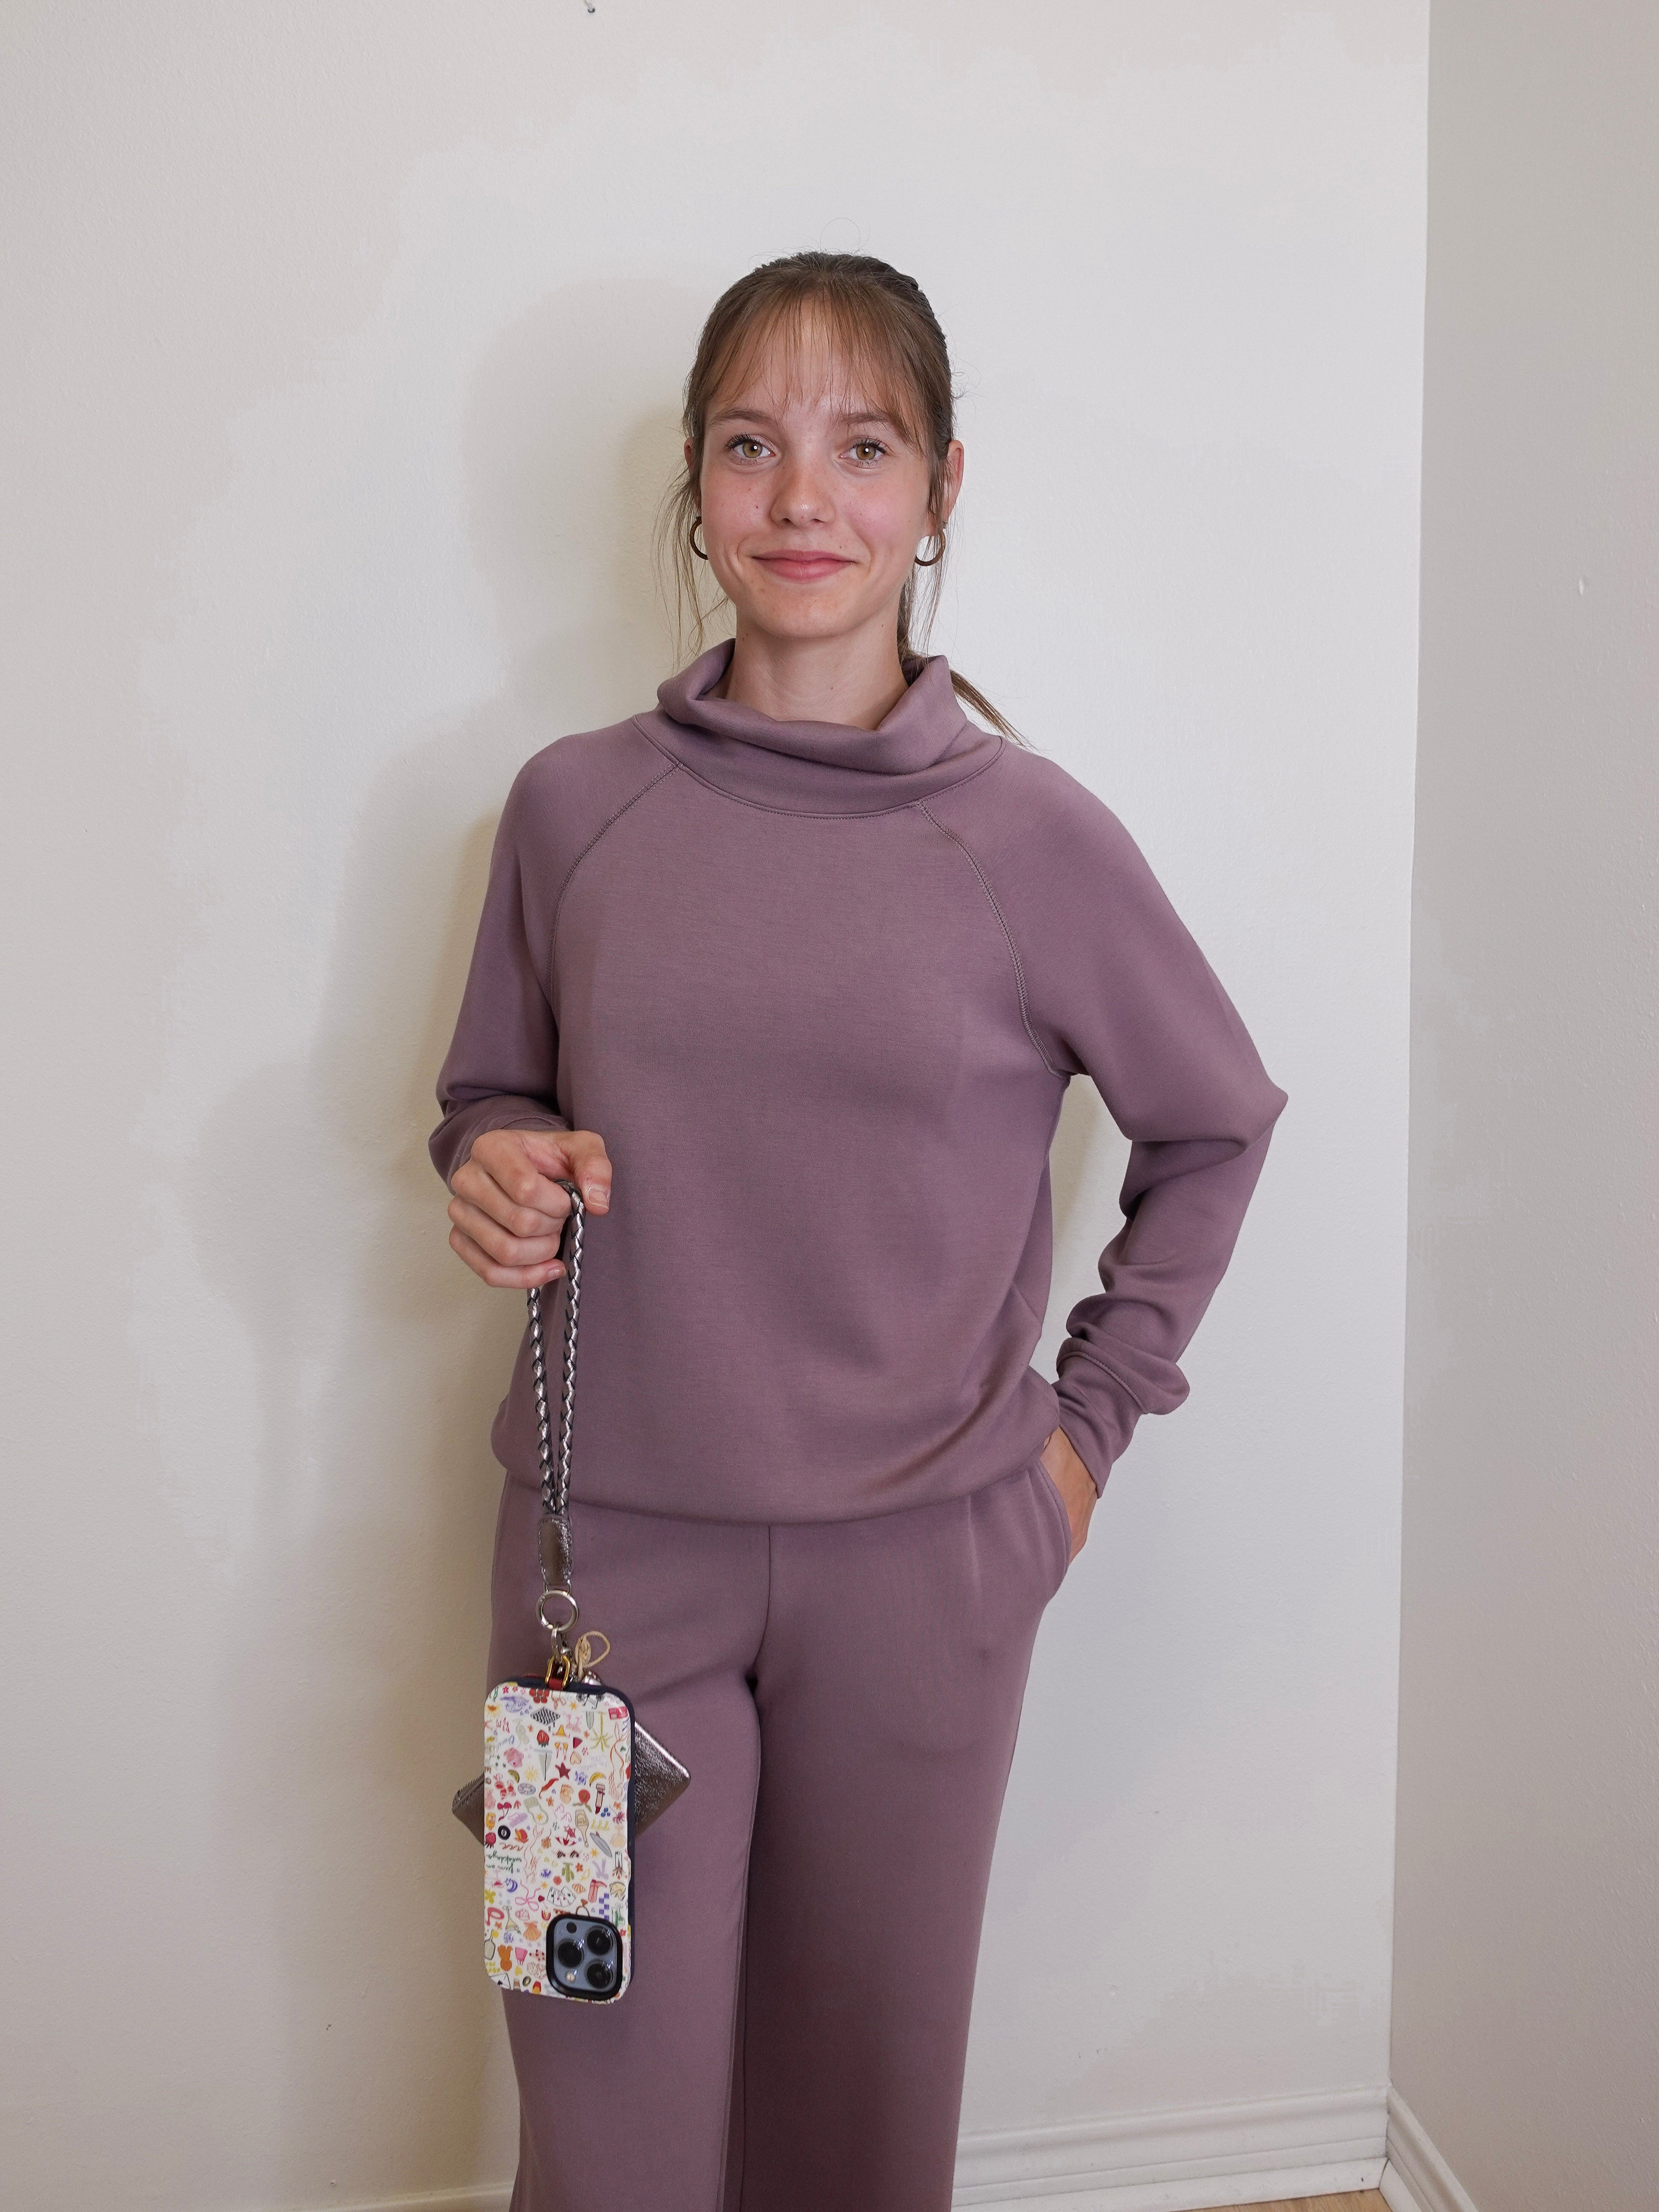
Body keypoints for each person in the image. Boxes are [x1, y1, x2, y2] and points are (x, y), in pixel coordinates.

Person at [430, 251, 1288, 2212]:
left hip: (927, 1576)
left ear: (943, 487)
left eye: (864, 446)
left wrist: (1084, 1439)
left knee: (858, 2137)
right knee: (597, 2121)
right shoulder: (571, 809)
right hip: (590, 1577)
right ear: (695, 484)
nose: (804, 496)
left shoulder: (1032, 838)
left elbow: (1217, 1122)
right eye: (752, 445)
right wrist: (496, 1166)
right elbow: (487, 1098)